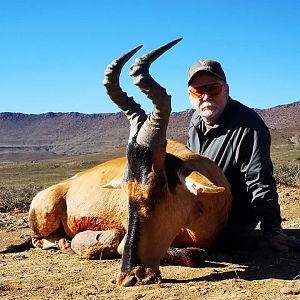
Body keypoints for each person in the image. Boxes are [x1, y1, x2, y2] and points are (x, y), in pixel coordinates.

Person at [186, 59, 300, 252]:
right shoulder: (196, 120)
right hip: (199, 210)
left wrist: (272, 229)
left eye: (213, 89)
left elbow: (259, 179)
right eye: (198, 91)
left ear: (226, 90)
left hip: (231, 217)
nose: (206, 97)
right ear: (190, 96)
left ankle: (250, 241)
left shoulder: (249, 126)